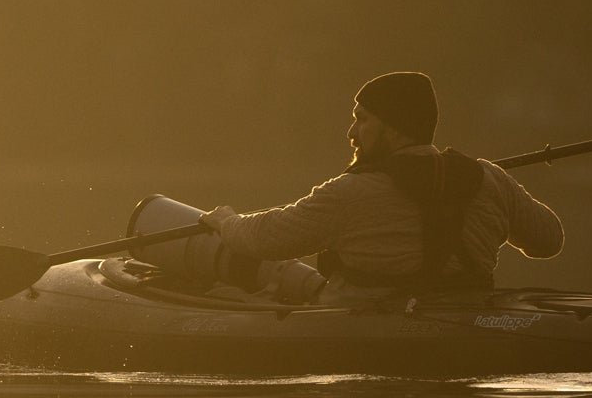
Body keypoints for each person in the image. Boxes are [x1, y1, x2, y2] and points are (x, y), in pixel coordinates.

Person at [201, 71, 563, 307]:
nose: (351, 133)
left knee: (246, 286)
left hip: (366, 329)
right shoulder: (488, 178)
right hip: (466, 318)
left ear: (392, 128)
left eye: (361, 119)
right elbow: (548, 240)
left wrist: (226, 222)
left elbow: (265, 239)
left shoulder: (350, 193)